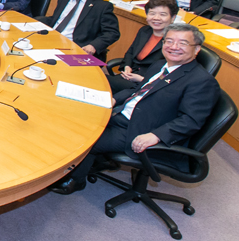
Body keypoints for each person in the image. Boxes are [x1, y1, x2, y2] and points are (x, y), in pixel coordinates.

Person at [51, 23, 220, 195]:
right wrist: (115, 98)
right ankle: (95, 161)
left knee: (86, 139)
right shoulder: (161, 65)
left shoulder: (202, 81)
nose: (174, 47)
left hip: (141, 129)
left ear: (197, 49)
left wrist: (155, 136)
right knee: (74, 117)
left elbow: (191, 121)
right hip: (123, 112)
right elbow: (137, 90)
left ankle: (76, 180)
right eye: (169, 41)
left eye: (182, 43)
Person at [36, 0, 120, 60]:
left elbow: (112, 33)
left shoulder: (102, 6)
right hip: (52, 39)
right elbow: (56, 19)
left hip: (76, 48)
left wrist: (93, 46)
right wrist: (33, 22)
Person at [107, 0, 177, 93]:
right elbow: (130, 52)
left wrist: (141, 79)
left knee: (102, 83)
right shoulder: (144, 31)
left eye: (162, 14)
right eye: (152, 13)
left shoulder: (174, 41)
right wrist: (127, 66)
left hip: (148, 85)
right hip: (129, 76)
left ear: (173, 17)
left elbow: (170, 74)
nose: (156, 18)